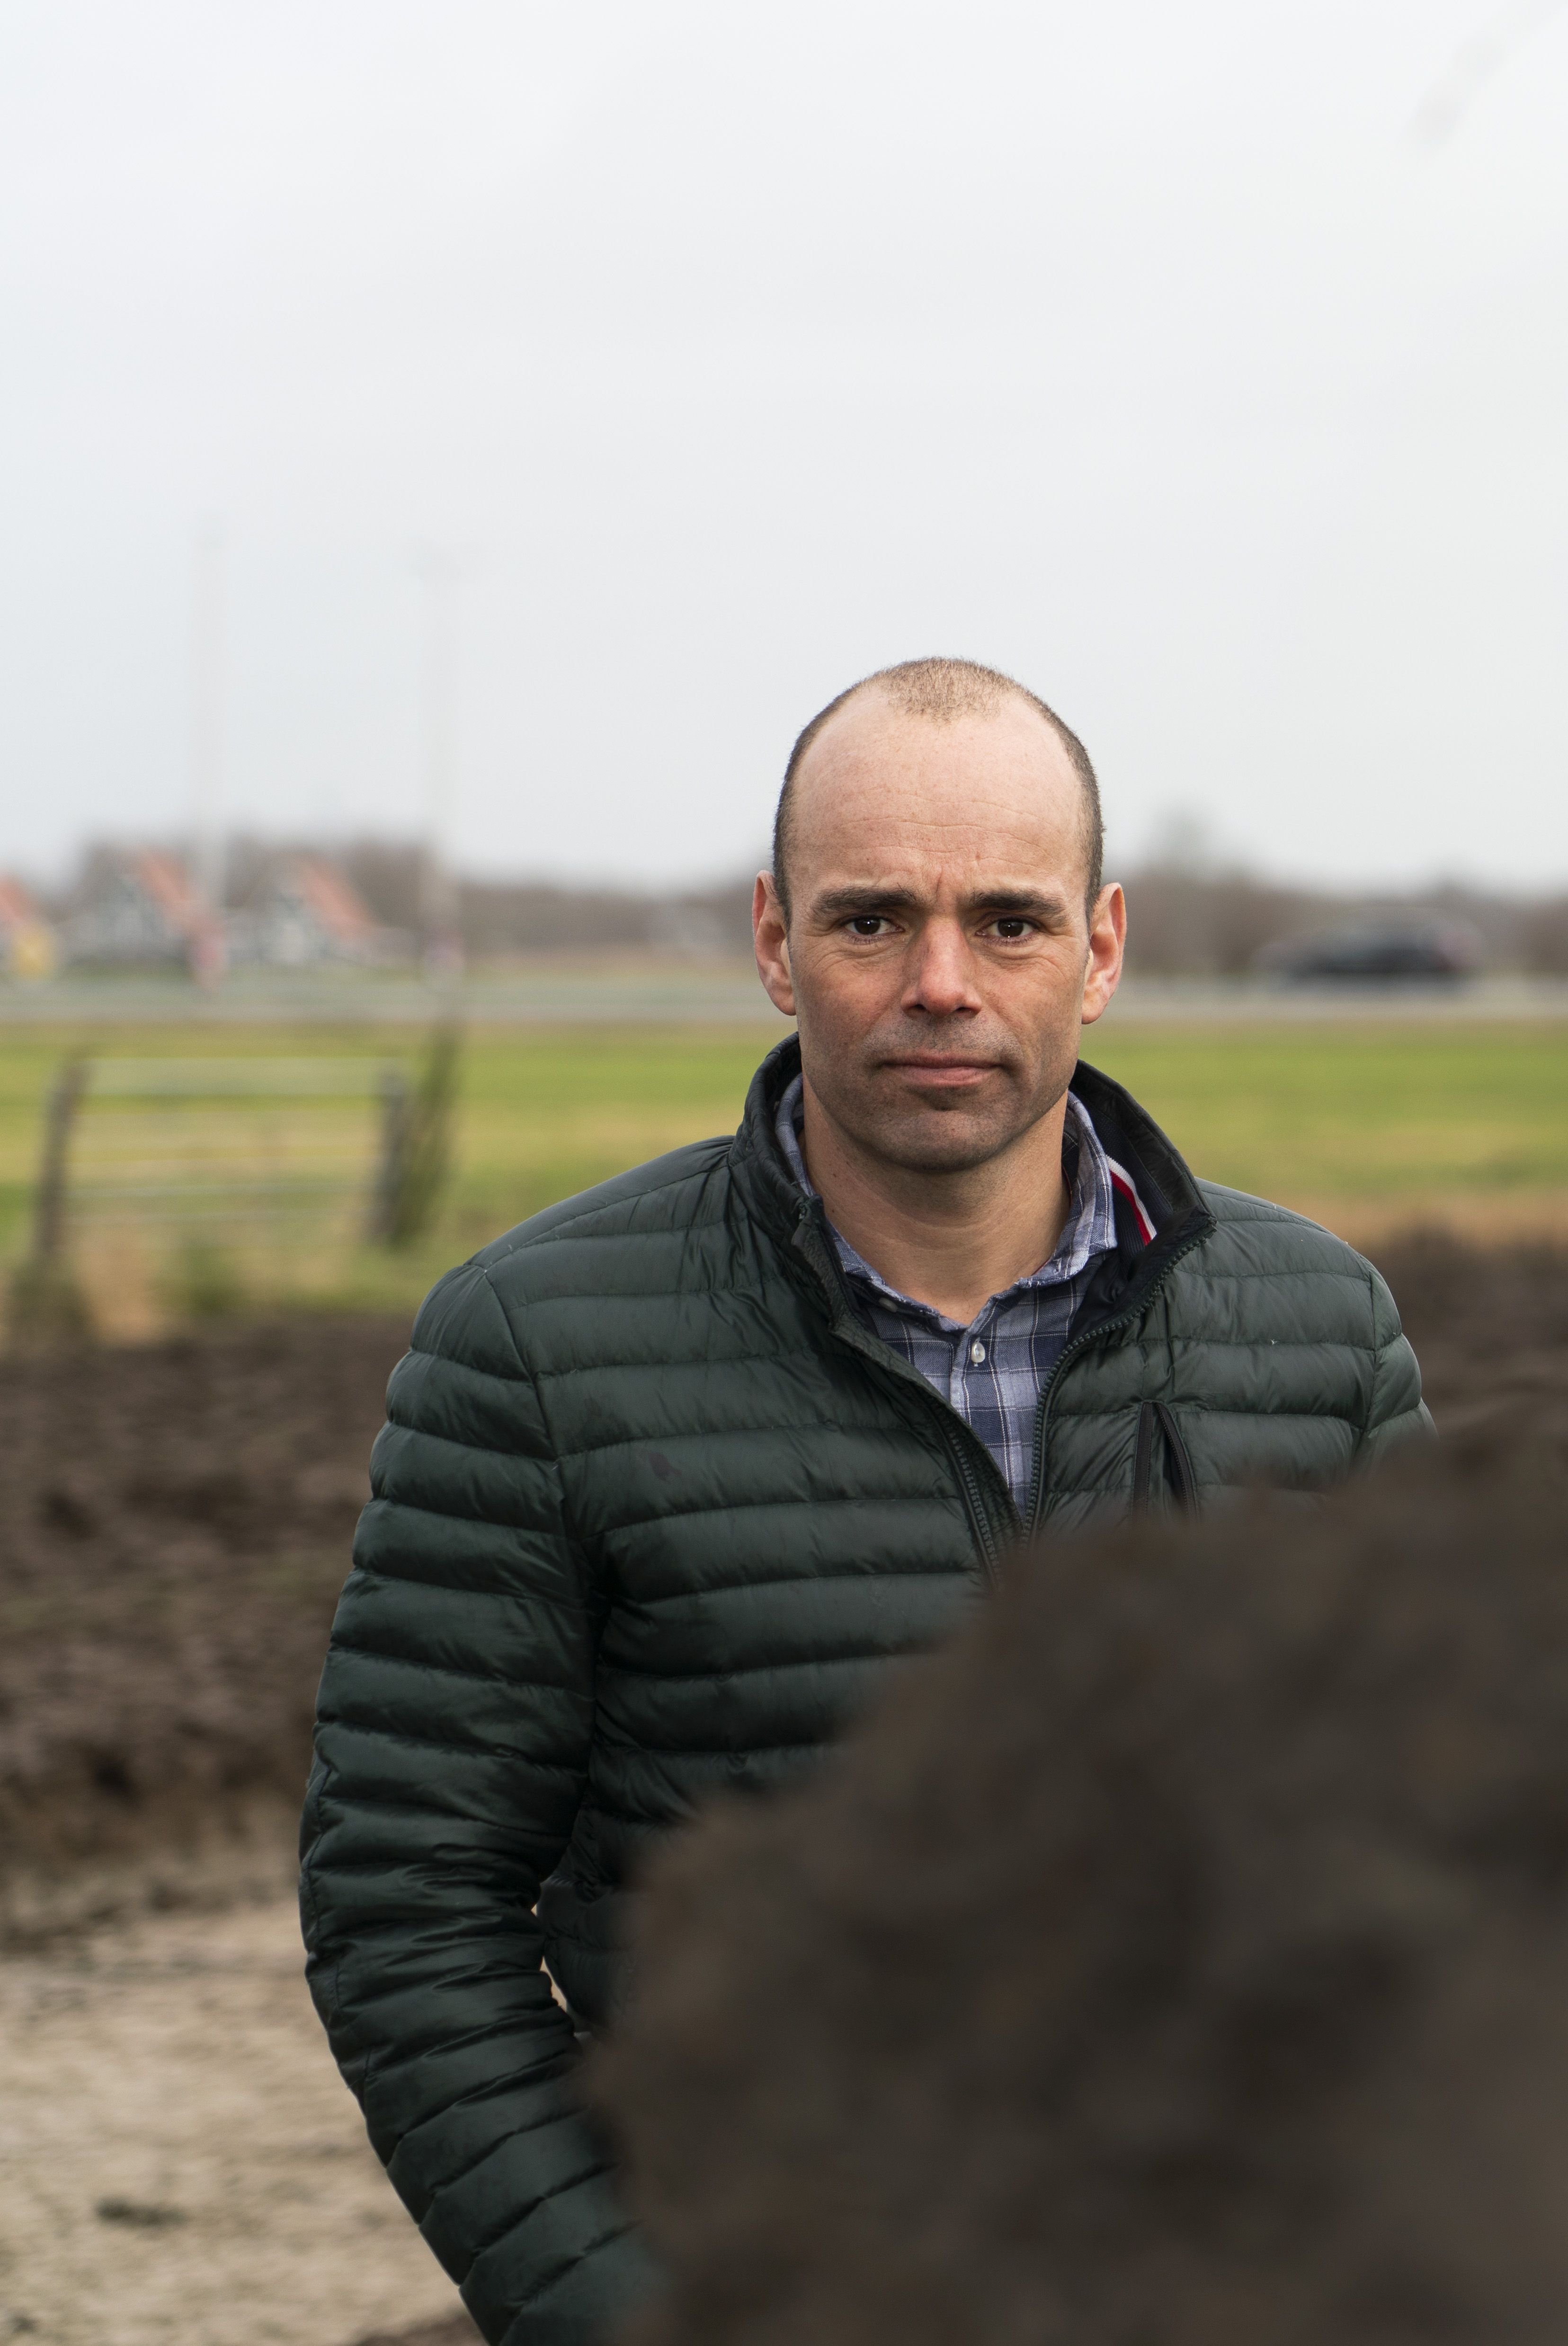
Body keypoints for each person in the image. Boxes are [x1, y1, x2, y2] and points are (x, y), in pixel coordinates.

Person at [297, 657, 1431, 2345]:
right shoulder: (535, 1347)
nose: (942, 983)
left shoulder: (1319, 1334)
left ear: (1103, 948)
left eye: (1011, 922)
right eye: (872, 919)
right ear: (774, 942)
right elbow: (407, 1908)